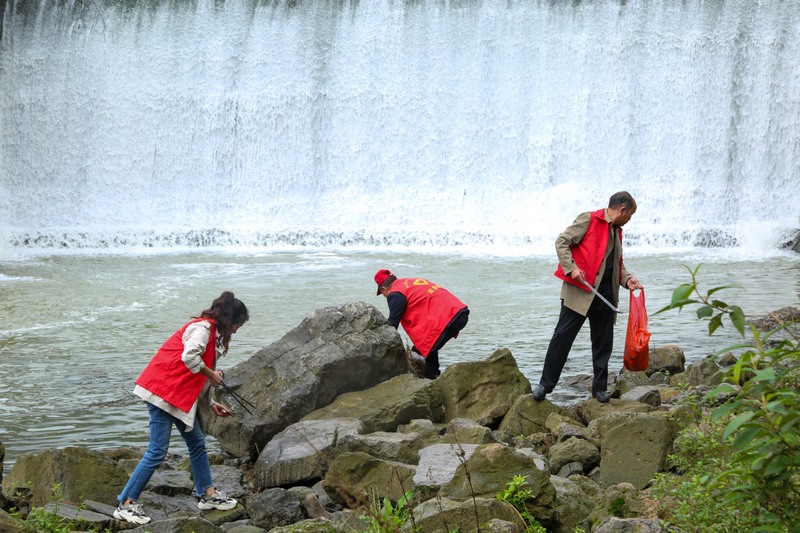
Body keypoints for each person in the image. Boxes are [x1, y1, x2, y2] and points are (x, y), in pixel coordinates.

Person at [113, 291, 249, 525]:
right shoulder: (202, 330)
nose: (236, 330)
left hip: (177, 396)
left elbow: (194, 377)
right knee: (157, 451)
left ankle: (207, 494)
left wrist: (213, 403)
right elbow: (190, 358)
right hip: (161, 393)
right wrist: (213, 375)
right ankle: (125, 504)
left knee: (197, 442)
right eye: (238, 325)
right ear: (230, 321)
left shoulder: (211, 333)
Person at [532, 191, 643, 403]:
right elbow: (561, 242)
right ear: (622, 209)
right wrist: (571, 268)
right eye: (630, 214)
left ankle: (599, 389)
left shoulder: (617, 231)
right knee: (561, 339)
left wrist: (628, 280)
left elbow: (616, 265)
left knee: (603, 344)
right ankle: (545, 385)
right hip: (580, 292)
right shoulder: (589, 219)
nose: (630, 219)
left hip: (605, 296)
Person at [374, 270, 469, 379]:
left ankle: (429, 383)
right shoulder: (410, 282)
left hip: (448, 318)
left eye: (383, 294)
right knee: (426, 350)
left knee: (417, 356)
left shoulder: (395, 294)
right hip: (458, 312)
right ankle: (434, 378)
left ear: (383, 289)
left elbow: (392, 326)